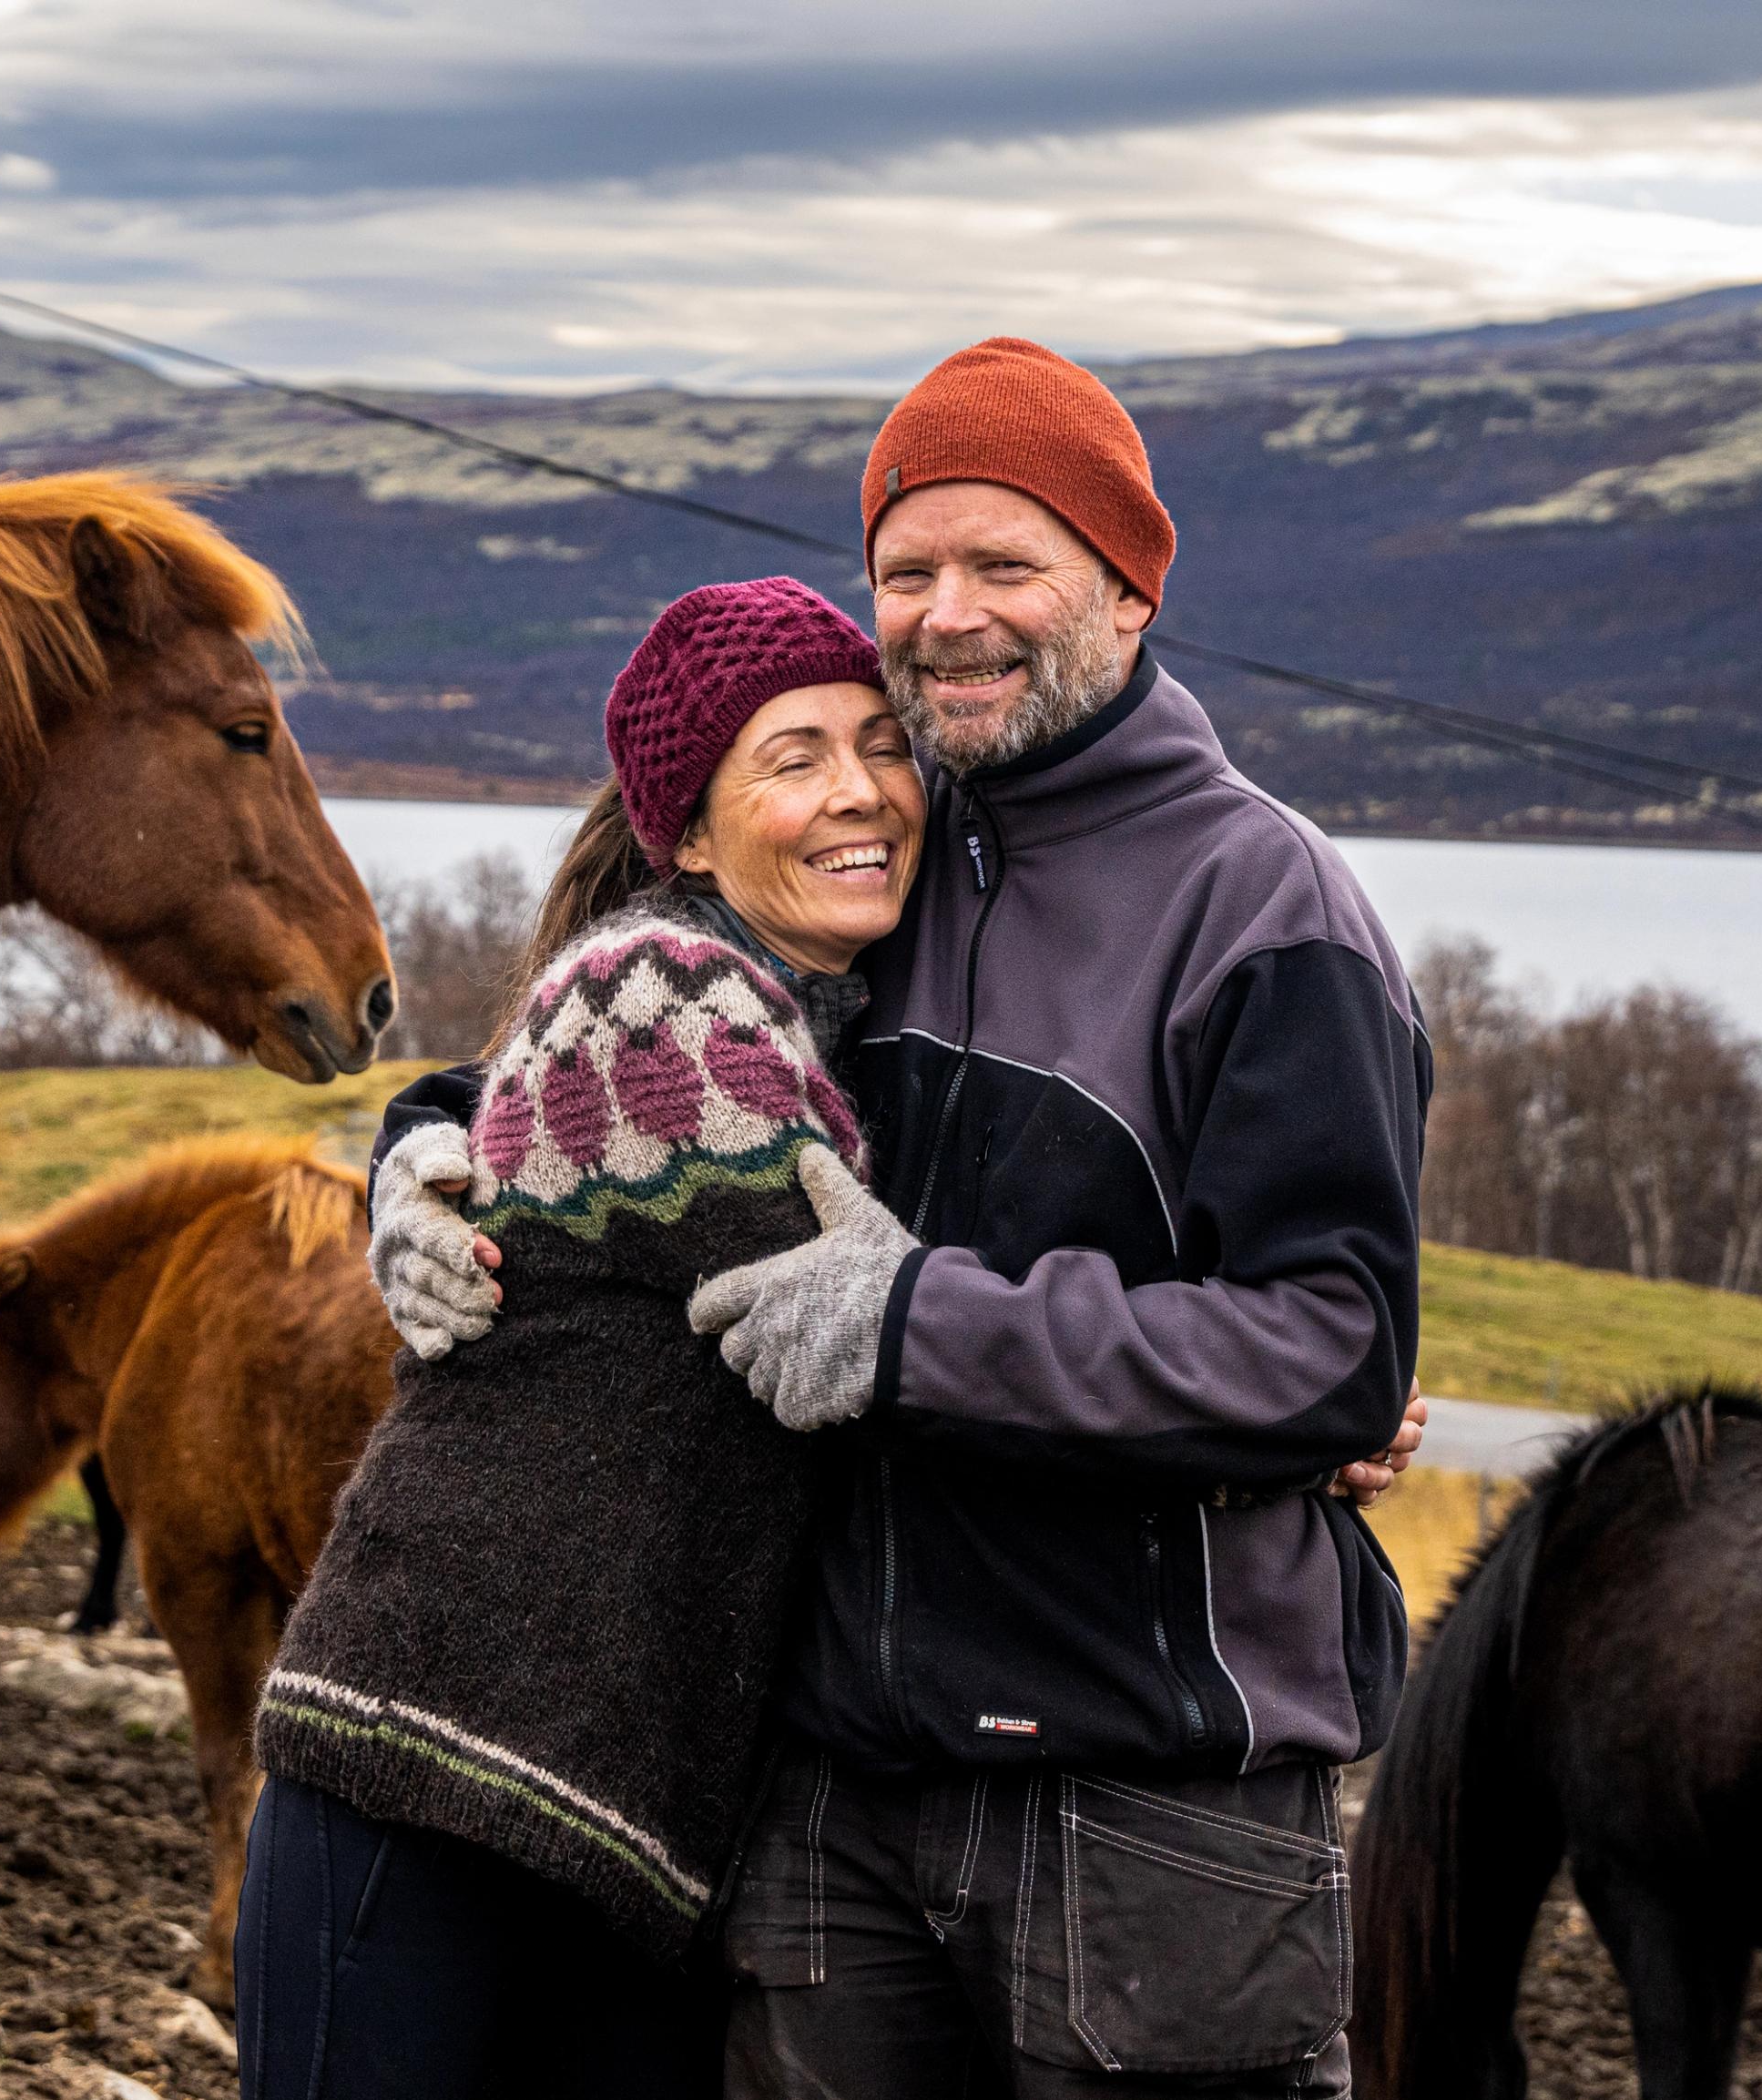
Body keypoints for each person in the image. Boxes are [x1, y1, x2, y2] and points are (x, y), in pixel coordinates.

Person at [371, 338, 1432, 2097]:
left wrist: (913, 1324)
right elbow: (612, 1028)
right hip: (827, 1808)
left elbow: (1327, 1347)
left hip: (1148, 1814)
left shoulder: (1267, 906)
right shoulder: (876, 845)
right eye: (907, 570)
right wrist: (424, 1152)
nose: (948, 614)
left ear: (1126, 581)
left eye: (1005, 563)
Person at [237, 576, 923, 2098]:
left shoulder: (812, 1006)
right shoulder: (664, 993)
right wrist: (1237, 1407)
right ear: (684, 830)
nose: (859, 789)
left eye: (881, 743)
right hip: (429, 1773)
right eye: (794, 755)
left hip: (609, 1820)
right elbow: (878, 1345)